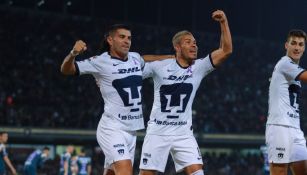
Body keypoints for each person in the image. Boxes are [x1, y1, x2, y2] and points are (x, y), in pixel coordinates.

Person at [60, 24, 172, 175]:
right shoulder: (100, 61)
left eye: (129, 38)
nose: (127, 41)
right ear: (110, 40)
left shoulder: (135, 58)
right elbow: (67, 70)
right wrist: (73, 53)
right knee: (125, 171)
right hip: (112, 129)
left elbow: (146, 59)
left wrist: (172, 57)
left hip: (132, 131)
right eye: (122, 37)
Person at [139, 10, 232, 175]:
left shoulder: (199, 67)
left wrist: (223, 22)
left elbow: (226, 51)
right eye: (188, 42)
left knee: (197, 172)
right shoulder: (161, 66)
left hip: (183, 132)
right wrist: (166, 57)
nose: (194, 45)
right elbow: (135, 62)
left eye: (195, 42)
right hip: (158, 131)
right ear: (177, 47)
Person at [266, 29, 307, 175]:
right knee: (279, 172)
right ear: (286, 45)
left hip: (295, 128)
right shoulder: (285, 63)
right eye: (293, 43)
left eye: (301, 44)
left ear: (304, 48)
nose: (297, 47)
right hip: (279, 126)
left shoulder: (294, 69)